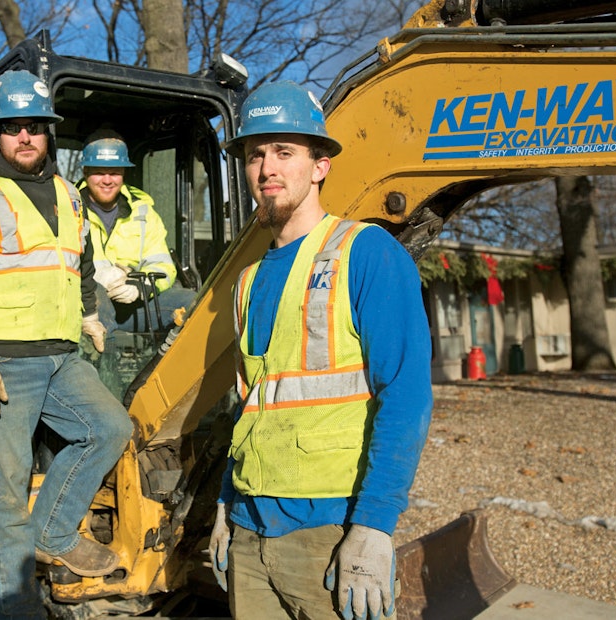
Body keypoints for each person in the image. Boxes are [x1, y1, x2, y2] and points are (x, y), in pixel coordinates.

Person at [208, 81, 433, 620]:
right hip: (248, 529)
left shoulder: (365, 253)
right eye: (255, 154)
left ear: (320, 166)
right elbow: (253, 405)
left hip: (330, 535)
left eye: (285, 152)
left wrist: (374, 527)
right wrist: (224, 502)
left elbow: (404, 395)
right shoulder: (245, 283)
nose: (267, 169)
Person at [0, 70, 134, 619]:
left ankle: (54, 530)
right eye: (12, 127)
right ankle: (14, 607)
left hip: (62, 356)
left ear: (49, 133)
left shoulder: (69, 193)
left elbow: (79, 259)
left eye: (34, 127)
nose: (24, 137)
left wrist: (89, 312)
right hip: (5, 363)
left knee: (110, 428)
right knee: (7, 492)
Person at [76, 132, 196, 334]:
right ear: (86, 171)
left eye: (114, 172)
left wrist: (140, 287)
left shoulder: (143, 211)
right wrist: (98, 279)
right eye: (99, 172)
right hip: (86, 303)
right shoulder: (68, 206)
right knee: (96, 302)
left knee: (192, 303)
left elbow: (163, 266)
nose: (107, 180)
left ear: (123, 172)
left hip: (132, 304)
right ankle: (101, 362)